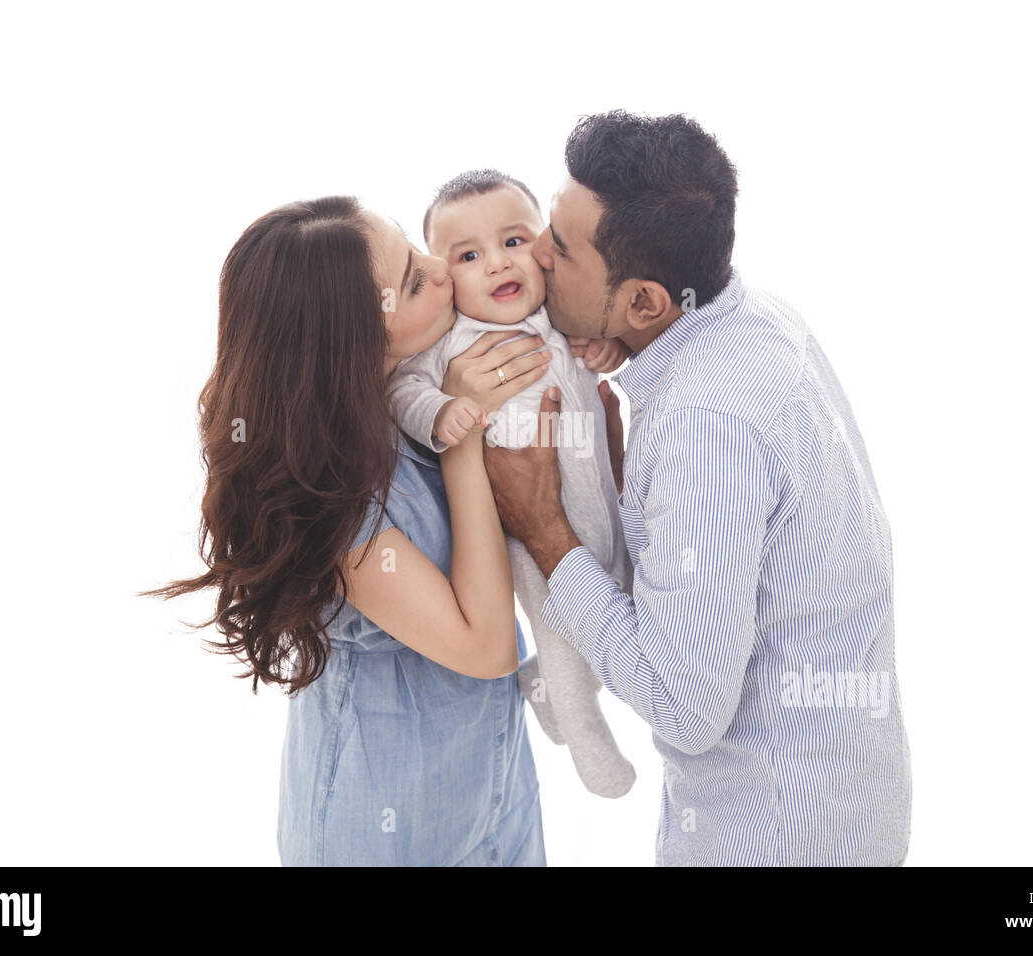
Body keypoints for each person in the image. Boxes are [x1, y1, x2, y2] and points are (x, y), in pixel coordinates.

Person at [482, 111, 913, 866]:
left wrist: (545, 529)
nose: (537, 253)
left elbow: (686, 707)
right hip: (845, 807)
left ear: (646, 302)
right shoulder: (756, 321)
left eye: (563, 247)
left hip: (769, 840)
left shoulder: (704, 425)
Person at [153, 195, 552, 865]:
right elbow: (487, 648)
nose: (443, 269)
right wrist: (461, 436)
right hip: (383, 830)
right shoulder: (334, 502)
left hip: (495, 793)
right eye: (415, 279)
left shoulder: (407, 399)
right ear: (356, 338)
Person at [386, 168, 637, 798]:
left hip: (601, 507)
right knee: (565, 635)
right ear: (445, 280)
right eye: (468, 256)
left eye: (514, 241)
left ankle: (543, 689)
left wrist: (605, 348)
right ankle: (585, 735)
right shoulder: (447, 346)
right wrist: (444, 412)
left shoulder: (559, 318)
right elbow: (401, 393)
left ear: (545, 246)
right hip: (528, 532)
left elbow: (599, 354)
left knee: (625, 615)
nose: (497, 263)